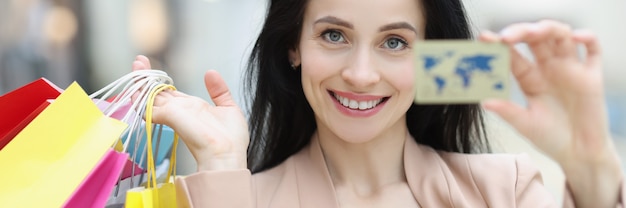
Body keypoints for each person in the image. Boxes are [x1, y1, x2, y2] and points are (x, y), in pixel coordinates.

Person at [131, 0, 625, 207]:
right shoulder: (236, 196)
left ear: (431, 55)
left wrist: (595, 170)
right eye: (333, 35)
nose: (362, 75)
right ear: (293, 46)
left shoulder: (505, 191)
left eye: (395, 42)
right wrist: (220, 165)